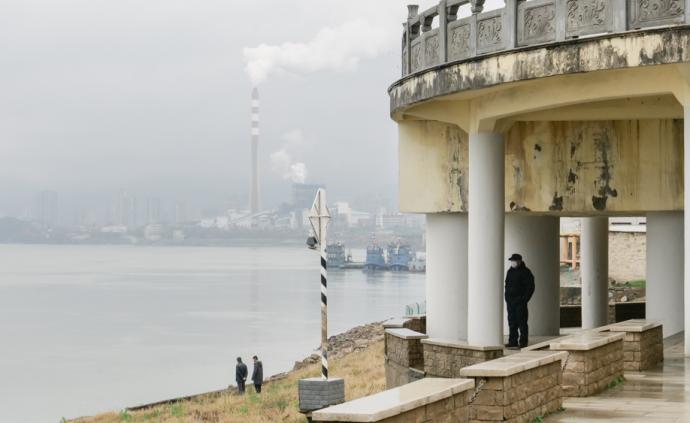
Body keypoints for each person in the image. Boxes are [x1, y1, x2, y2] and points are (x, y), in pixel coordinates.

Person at [504, 253, 535, 349]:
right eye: (512, 261)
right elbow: (507, 285)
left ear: (519, 261)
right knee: (512, 322)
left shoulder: (526, 272)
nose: (512, 262)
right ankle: (512, 341)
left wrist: (524, 299)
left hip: (520, 302)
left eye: (514, 261)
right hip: (510, 302)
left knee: (522, 322)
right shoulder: (510, 271)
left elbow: (530, 287)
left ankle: (523, 342)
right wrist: (507, 297)